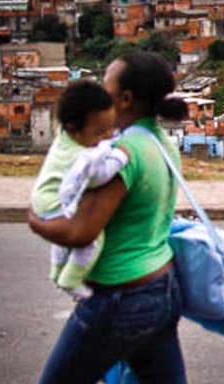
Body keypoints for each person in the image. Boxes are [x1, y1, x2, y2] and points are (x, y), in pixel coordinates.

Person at [29, 51, 189, 384]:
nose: (101, 93)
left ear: (126, 99)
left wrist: (35, 219)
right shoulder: (161, 142)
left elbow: (81, 232)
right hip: (163, 287)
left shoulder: (123, 154)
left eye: (107, 86)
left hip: (122, 298)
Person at [31, 80, 126, 300]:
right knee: (92, 239)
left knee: (64, 242)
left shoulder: (66, 139)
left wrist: (103, 139)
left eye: (111, 127)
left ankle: (56, 272)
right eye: (100, 132)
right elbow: (96, 177)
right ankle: (71, 280)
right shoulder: (81, 157)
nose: (108, 136)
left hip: (43, 198)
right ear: (74, 129)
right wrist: (120, 157)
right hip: (55, 204)